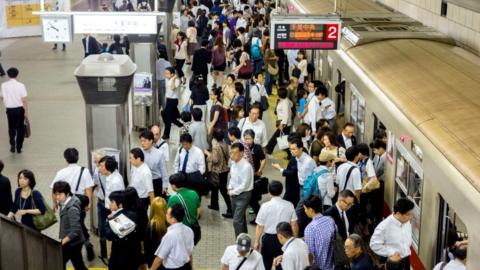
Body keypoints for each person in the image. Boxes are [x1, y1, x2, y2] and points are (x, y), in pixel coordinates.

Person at [50, 147, 95, 261]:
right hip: (80, 203)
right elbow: (88, 188)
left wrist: (54, 202)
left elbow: (54, 189)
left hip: (65, 203)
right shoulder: (84, 171)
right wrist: (89, 203)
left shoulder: (61, 172)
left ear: (65, 159)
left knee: (69, 225)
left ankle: (73, 243)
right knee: (79, 223)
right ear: (78, 157)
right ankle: (85, 243)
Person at [255, 181, 298, 270]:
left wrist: (257, 241)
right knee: (281, 265)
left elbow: (260, 226)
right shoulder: (289, 205)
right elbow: (294, 224)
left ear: (269, 192)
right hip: (284, 239)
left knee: (265, 265)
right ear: (281, 191)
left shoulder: (265, 206)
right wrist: (294, 239)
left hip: (268, 240)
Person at [370, 198, 415, 270]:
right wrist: (392, 253)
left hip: (406, 259)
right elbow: (374, 245)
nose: (410, 217)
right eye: (408, 214)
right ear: (398, 214)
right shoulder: (384, 226)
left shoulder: (406, 222)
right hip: (391, 262)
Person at [53, 181, 88, 270]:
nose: (57, 197)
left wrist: (62, 242)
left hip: (72, 242)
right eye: (56, 194)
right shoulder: (64, 203)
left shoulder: (72, 208)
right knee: (78, 263)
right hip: (74, 240)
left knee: (59, 261)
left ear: (67, 193)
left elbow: (75, 230)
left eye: (60, 194)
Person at [105, 191, 142, 270]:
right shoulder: (133, 215)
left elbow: (108, 235)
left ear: (120, 204)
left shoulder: (113, 218)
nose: (110, 204)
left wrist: (107, 221)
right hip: (133, 255)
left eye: (112, 202)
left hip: (118, 257)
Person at [150, 204, 194, 270]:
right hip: (186, 266)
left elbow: (159, 258)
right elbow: (189, 252)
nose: (166, 215)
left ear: (173, 219)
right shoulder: (189, 230)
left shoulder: (170, 235)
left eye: (167, 214)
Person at [167, 173, 201, 245]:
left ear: (174, 186)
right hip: (192, 229)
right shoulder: (194, 193)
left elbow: (169, 216)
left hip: (180, 231)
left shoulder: (173, 199)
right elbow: (198, 212)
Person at [303, 196, 336, 270]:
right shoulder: (330, 220)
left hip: (319, 267)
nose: (305, 211)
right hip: (333, 265)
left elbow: (310, 253)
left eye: (305, 208)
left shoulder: (310, 228)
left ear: (311, 210)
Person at [229, 143, 254, 237]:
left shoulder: (246, 167)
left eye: (235, 153)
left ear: (242, 153)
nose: (232, 155)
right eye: (231, 153)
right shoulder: (233, 164)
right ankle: (244, 237)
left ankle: (239, 242)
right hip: (234, 194)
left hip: (244, 195)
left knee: (236, 221)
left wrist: (232, 192)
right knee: (240, 219)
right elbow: (231, 177)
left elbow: (244, 185)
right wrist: (230, 187)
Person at [1, 67, 28, 153]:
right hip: (19, 109)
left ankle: (12, 143)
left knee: (11, 127)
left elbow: (2, 97)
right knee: (20, 128)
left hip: (9, 110)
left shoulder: (4, 85)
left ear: (8, 75)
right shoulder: (21, 85)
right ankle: (19, 147)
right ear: (17, 74)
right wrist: (26, 112)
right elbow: (24, 100)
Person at [205, 128, 232, 216]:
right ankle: (214, 204)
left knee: (222, 190)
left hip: (217, 171)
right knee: (215, 187)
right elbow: (227, 156)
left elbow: (215, 160)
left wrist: (208, 154)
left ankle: (230, 208)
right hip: (224, 170)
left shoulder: (216, 146)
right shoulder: (225, 144)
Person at [243, 129, 266, 220]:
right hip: (246, 176)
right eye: (245, 138)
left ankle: (258, 214)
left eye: (249, 139)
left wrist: (260, 169)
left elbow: (263, 159)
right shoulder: (242, 148)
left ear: (253, 139)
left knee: (254, 195)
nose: (247, 141)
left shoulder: (257, 148)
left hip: (255, 175)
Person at [139, 131, 169, 198]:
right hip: (143, 182)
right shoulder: (139, 152)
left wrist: (165, 185)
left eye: (144, 141)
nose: (142, 143)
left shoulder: (159, 154)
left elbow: (164, 171)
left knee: (156, 205)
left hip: (156, 182)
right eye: (141, 141)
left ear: (151, 141)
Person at [91, 149, 109, 261]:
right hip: (101, 202)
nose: (97, 165)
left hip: (112, 204)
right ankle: (104, 253)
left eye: (99, 162)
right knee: (101, 228)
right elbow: (95, 184)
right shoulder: (96, 171)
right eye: (95, 162)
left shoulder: (112, 173)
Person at [266, 87, 292, 154]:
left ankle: (269, 149)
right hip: (283, 122)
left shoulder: (284, 103)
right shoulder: (285, 100)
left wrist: (282, 124)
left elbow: (286, 115)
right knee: (284, 138)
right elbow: (291, 105)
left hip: (283, 123)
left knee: (278, 137)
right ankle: (269, 149)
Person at [144, 197, 168, 268]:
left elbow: (147, 247)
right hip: (167, 260)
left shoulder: (150, 226)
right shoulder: (169, 223)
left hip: (154, 261)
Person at [162, 67, 184, 140]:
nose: (165, 75)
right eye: (165, 73)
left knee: (168, 118)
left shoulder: (177, 80)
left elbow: (172, 88)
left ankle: (166, 134)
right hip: (168, 100)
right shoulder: (166, 79)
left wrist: (174, 79)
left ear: (172, 74)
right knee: (165, 114)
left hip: (173, 101)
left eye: (167, 73)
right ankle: (181, 125)